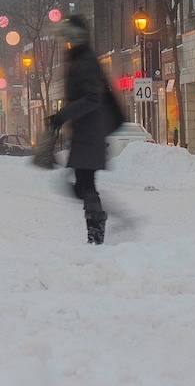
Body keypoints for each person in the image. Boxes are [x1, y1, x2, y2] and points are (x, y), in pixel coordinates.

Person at [48, 15, 127, 244]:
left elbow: (93, 98)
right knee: (83, 183)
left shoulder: (84, 60)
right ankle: (96, 223)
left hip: (89, 132)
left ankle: (97, 226)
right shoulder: (79, 58)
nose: (64, 40)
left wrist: (63, 115)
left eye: (67, 35)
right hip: (86, 131)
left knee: (84, 183)